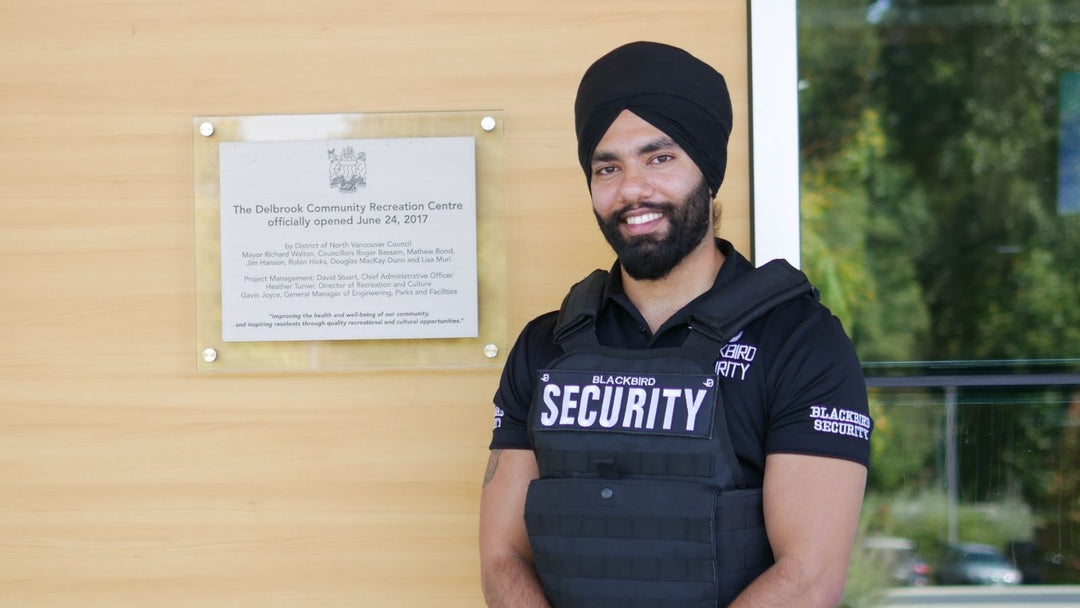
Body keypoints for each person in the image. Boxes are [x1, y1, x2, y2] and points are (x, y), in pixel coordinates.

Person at [479, 41, 871, 608]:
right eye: (607, 167)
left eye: (659, 158)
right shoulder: (545, 347)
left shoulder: (799, 343)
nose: (632, 190)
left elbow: (809, 577)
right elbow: (502, 558)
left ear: (709, 172)